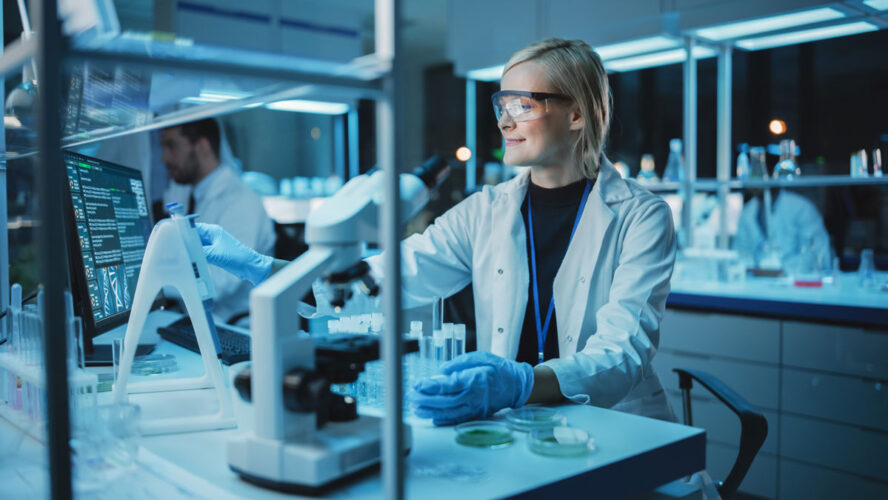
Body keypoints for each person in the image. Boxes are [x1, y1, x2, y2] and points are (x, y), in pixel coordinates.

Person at [196, 39, 677, 425]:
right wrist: (266, 269)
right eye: (501, 104)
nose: (505, 120)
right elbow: (385, 276)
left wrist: (523, 382)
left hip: (617, 427)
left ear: (577, 115)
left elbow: (621, 353)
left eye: (524, 105)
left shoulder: (640, 216)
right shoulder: (487, 209)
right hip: (518, 425)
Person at [160, 118, 275, 323]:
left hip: (239, 327)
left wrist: (153, 282)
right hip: (203, 322)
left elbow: (217, 284)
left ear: (202, 146)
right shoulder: (197, 196)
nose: (164, 158)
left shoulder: (239, 201)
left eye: (172, 146)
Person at [733, 188, 831, 272]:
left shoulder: (801, 207)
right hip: (758, 284)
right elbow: (740, 254)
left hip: (796, 285)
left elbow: (817, 255)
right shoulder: (748, 211)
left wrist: (780, 269)